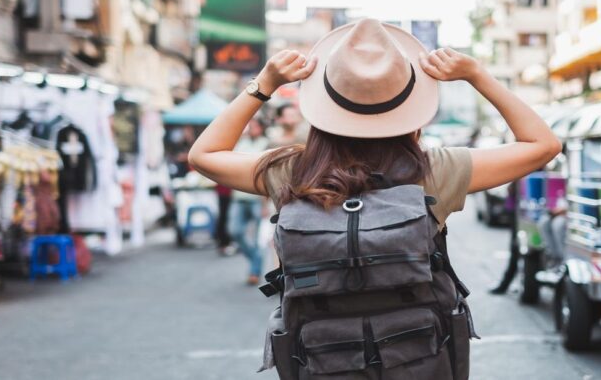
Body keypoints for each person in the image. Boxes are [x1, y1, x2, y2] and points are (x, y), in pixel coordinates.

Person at [188, 19, 560, 377]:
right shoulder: (435, 171)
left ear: (324, 103)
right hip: (418, 360)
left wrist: (264, 84)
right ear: (409, 104)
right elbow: (543, 145)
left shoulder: (292, 172)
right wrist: (478, 76)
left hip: (324, 361)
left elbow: (203, 155)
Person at [229, 118, 269, 283]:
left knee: (259, 238)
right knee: (235, 232)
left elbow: (268, 174)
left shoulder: (267, 143)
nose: (251, 129)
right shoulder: (241, 144)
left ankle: (254, 271)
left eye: (254, 126)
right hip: (239, 196)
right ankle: (255, 260)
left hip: (258, 198)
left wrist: (266, 201)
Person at [489, 181, 520, 295]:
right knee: (516, 247)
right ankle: (507, 283)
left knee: (516, 247)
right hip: (516, 206)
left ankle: (505, 283)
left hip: (522, 208)